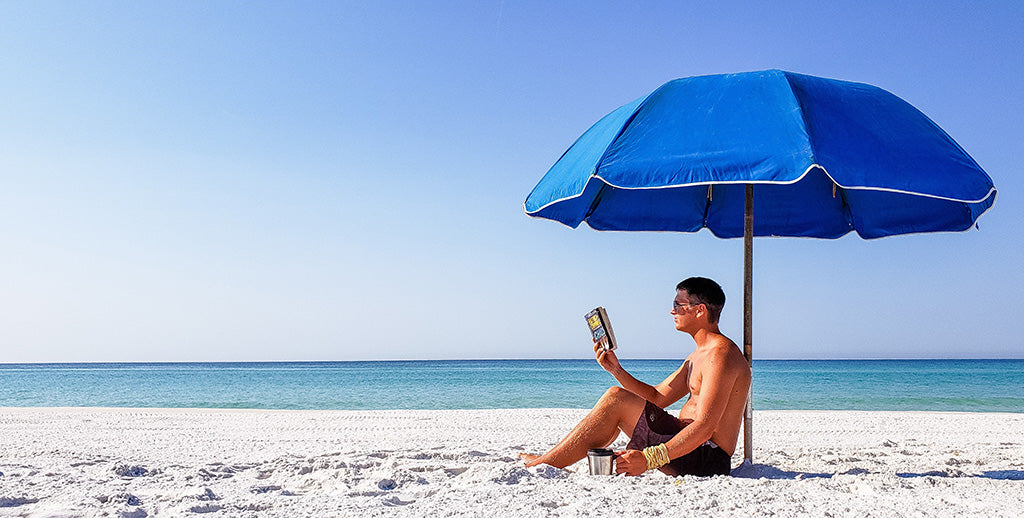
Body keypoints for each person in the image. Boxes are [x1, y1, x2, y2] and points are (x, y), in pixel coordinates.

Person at [519, 277, 751, 477]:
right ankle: (552, 457)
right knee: (616, 397)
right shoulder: (699, 355)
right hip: (685, 443)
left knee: (616, 398)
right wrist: (616, 370)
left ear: (699, 310)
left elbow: (706, 426)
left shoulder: (721, 354)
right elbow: (657, 396)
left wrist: (649, 459)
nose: (672, 311)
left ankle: (547, 462)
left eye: (678, 305)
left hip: (706, 457)